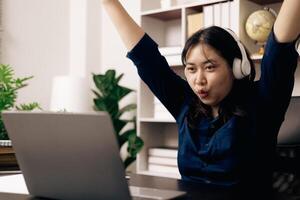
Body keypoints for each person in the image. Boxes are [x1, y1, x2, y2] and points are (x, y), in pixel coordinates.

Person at [100, 0, 300, 194]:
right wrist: (109, 2)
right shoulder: (185, 104)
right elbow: (147, 59)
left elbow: (279, 49)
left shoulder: (262, 102)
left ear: (237, 67)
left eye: (210, 67)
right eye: (191, 69)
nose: (199, 80)